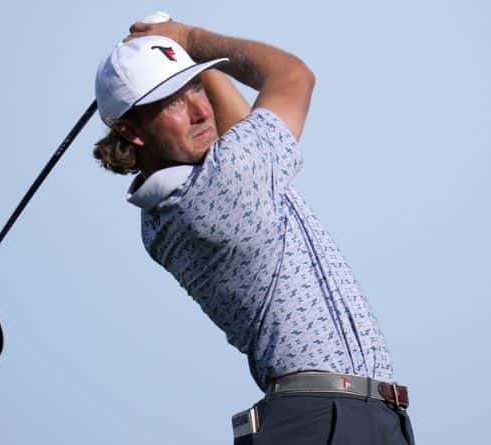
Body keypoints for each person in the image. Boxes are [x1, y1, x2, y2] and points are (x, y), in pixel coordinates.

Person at [92, 20, 415, 445]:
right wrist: (189, 39)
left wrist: (185, 60)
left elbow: (240, 130)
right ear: (130, 131)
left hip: (351, 416)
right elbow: (294, 75)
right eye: (172, 102)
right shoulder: (219, 188)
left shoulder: (178, 202)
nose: (200, 109)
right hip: (325, 419)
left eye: (195, 89)